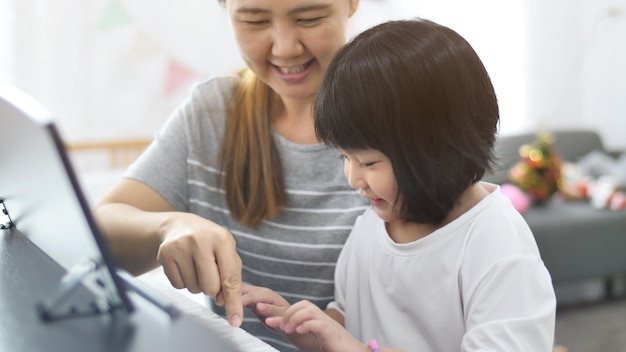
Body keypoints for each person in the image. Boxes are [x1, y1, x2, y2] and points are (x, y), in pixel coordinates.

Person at [240, 18, 557, 351]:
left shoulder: (495, 246)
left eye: (369, 162)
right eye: (344, 158)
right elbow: (348, 322)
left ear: (435, 150)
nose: (353, 178)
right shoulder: (369, 227)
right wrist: (302, 327)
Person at [92, 0, 366, 350]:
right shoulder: (212, 113)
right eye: (254, 20)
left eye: (309, 18)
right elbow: (99, 230)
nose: (284, 47)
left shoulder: (409, 121)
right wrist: (169, 226)